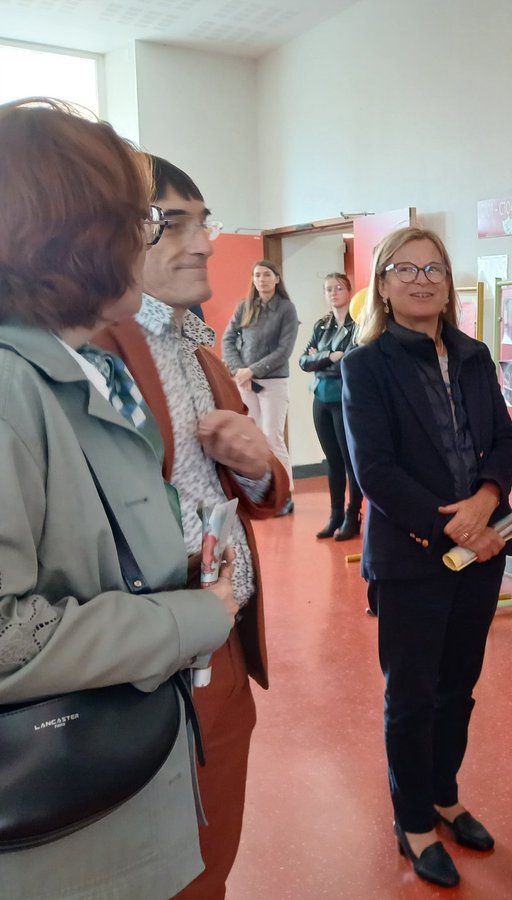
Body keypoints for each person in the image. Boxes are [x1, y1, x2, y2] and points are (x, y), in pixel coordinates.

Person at [0, 99, 237, 899]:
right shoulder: (8, 388)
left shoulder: (75, 366)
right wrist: (196, 614)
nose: (154, 241)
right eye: (139, 219)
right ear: (70, 234)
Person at [93, 154, 288, 900]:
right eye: (172, 223)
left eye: (203, 220)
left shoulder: (194, 344)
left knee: (215, 849)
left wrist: (262, 467)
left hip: (222, 642)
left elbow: (243, 489)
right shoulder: (86, 357)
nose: (204, 242)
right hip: (151, 663)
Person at [341, 226, 512, 889]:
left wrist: (486, 499)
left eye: (435, 269)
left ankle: (445, 794)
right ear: (383, 285)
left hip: (482, 553)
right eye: (405, 268)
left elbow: (503, 440)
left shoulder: (474, 356)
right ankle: (413, 820)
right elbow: (376, 473)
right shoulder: (365, 367)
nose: (422, 279)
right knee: (411, 696)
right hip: (412, 559)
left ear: (450, 285)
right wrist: (457, 529)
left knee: (458, 687)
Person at [221, 258, 300, 513]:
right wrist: (239, 371)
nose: (262, 279)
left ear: (276, 279)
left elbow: (283, 350)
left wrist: (253, 369)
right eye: (257, 275)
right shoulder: (244, 307)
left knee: (272, 437)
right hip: (244, 382)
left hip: (273, 381)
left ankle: (284, 495)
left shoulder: (286, 309)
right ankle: (260, 493)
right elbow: (228, 340)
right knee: (253, 438)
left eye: (267, 274)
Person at [299, 272, 362, 540]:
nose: (333, 293)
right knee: (332, 461)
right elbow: (303, 361)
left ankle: (352, 515)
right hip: (320, 398)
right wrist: (329, 356)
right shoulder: (321, 325)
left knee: (350, 462)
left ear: (349, 291)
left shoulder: (359, 324)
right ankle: (335, 514)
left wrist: (320, 360)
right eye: (328, 289)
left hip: (344, 399)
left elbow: (351, 362)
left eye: (338, 288)